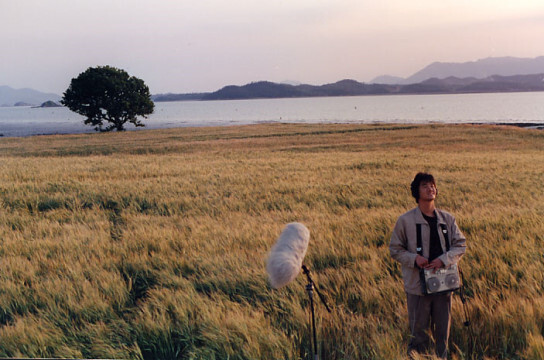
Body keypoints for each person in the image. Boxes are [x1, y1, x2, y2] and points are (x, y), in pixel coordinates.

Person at [389, 172, 466, 359]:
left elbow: (460, 245)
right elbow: (395, 249)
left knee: (442, 335)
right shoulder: (405, 221)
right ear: (417, 192)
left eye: (432, 185)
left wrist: (444, 260)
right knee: (419, 335)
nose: (430, 188)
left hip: (444, 284)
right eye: (425, 185)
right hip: (417, 287)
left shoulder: (448, 219)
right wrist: (415, 259)